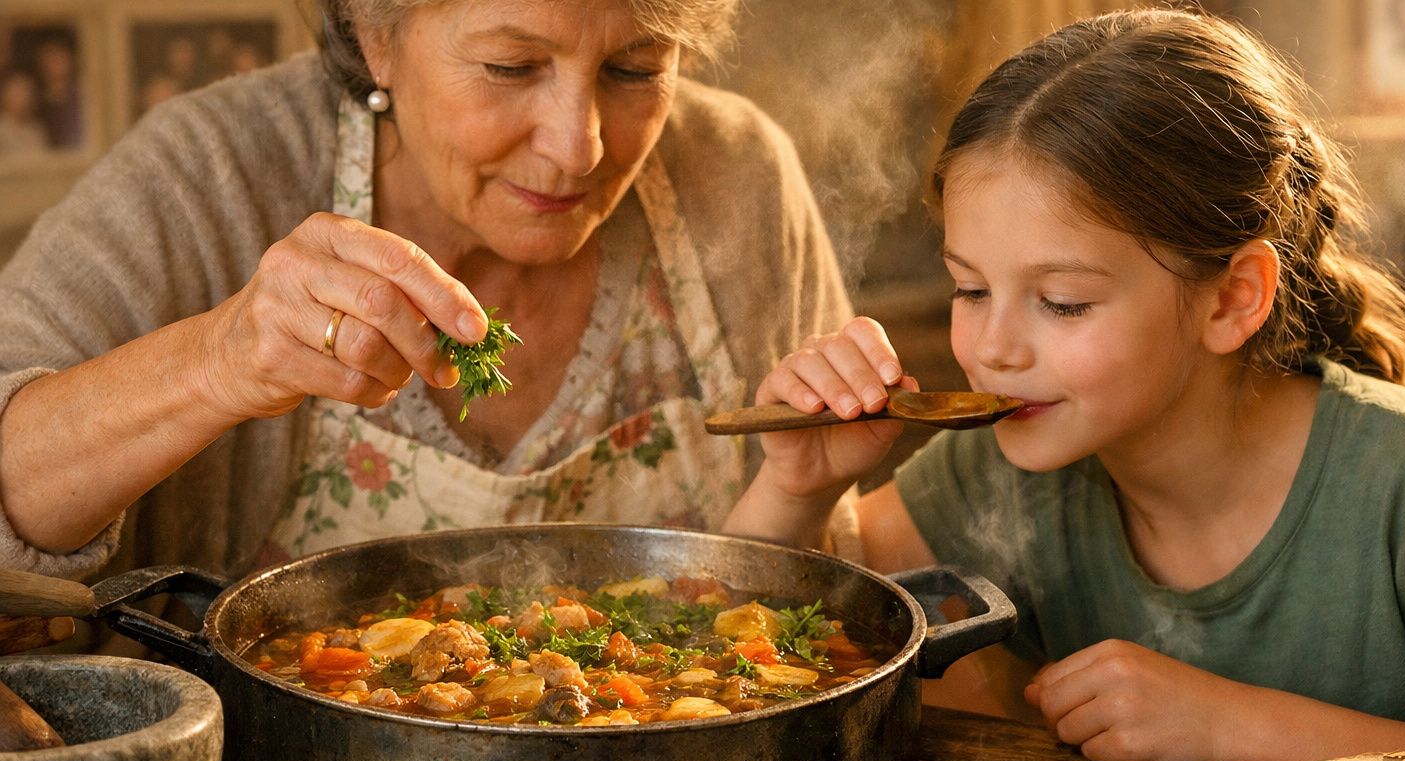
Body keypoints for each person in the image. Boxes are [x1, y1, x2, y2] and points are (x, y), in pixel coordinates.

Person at [722, 8, 1405, 761]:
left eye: (1064, 302)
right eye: (970, 288)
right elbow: (750, 662)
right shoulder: (1002, 464)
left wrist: (1233, 728)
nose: (992, 348)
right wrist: (799, 488)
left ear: (1231, 300)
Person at [0, 0, 850, 590]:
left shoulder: (738, 175)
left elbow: (828, 570)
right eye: (511, 66)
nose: (576, 146)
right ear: (377, 36)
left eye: (634, 69)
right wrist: (219, 361)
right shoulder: (208, 175)